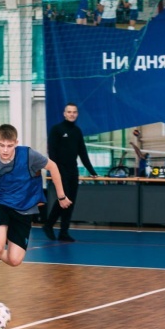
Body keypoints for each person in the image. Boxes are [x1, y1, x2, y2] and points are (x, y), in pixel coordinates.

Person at [0, 124, 71, 308]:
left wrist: (61, 196)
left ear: (16, 143)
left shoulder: (28, 156)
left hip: (24, 208)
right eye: (1, 145)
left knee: (15, 260)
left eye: (9, 146)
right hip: (0, 204)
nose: (5, 150)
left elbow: (53, 167)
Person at [42, 103, 98, 242]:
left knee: (70, 201)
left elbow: (83, 153)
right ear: (64, 113)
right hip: (60, 170)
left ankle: (64, 232)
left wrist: (92, 171)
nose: (72, 114)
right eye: (69, 112)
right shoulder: (56, 129)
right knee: (63, 199)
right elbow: (52, 152)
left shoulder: (77, 131)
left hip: (73, 170)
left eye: (74, 112)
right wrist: (55, 170)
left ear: (77, 114)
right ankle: (48, 225)